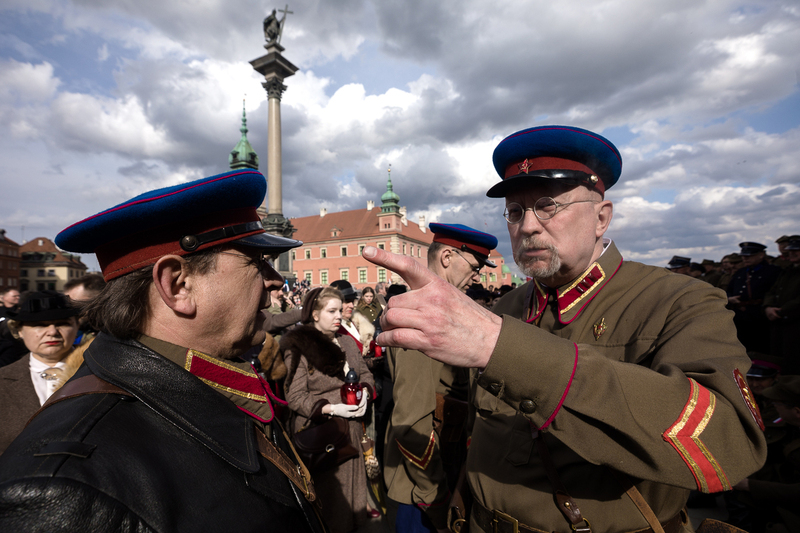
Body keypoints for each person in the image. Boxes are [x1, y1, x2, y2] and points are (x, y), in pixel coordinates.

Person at [363, 125, 767, 533]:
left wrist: (501, 347)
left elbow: (726, 445)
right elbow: (470, 426)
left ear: (601, 217)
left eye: (548, 205)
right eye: (516, 212)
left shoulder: (678, 300)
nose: (528, 226)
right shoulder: (506, 307)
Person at [0, 169, 324, 533]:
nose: (276, 279)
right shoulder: (61, 489)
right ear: (178, 284)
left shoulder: (208, 381)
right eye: (256, 261)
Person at [385, 222, 497, 533]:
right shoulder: (421, 318)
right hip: (420, 490)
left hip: (448, 469)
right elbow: (410, 423)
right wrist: (434, 497)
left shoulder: (444, 316)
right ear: (447, 257)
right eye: (474, 266)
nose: (478, 275)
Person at [282, 287, 377, 533]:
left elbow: (365, 372)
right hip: (324, 435)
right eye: (331, 311)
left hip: (354, 430)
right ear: (314, 314)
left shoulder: (346, 340)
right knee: (332, 504)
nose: (339, 316)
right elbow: (294, 395)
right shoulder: (299, 346)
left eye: (340, 310)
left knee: (355, 496)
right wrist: (331, 408)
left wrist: (365, 392)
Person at [0, 291, 82, 453]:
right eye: (40, 324)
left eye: (62, 323)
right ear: (19, 330)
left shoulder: (103, 372)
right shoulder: (2, 379)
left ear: (77, 326)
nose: (52, 331)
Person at [733, 376, 800, 533]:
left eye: (777, 404)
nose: (774, 407)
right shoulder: (792, 426)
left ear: (797, 411)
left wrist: (750, 485)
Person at [727, 242, 782, 352]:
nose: (745, 258)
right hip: (739, 318)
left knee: (761, 351)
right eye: (743, 256)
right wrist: (729, 299)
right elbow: (729, 291)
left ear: (761, 255)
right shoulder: (740, 273)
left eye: (749, 256)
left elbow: (775, 292)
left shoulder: (773, 271)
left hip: (760, 319)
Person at [762, 238, 800, 366]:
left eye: (796, 250)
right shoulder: (788, 270)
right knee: (779, 359)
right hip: (780, 322)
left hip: (794, 322)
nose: (792, 253)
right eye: (790, 250)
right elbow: (772, 291)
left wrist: (781, 310)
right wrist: (768, 307)